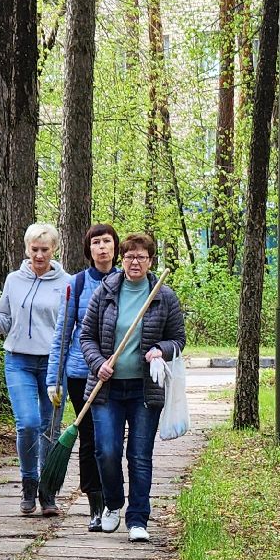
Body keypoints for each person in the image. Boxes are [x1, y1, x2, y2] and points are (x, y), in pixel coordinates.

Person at [78, 231, 185, 542]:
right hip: (107, 390)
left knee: (139, 455)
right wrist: (99, 363)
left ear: (151, 261)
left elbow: (178, 339)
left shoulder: (164, 295)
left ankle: (138, 518)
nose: (134, 262)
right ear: (121, 260)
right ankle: (113, 504)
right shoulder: (106, 291)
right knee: (106, 451)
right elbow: (87, 338)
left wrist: (160, 350)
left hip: (143, 390)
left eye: (141, 257)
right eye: (129, 257)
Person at [0, 223, 70, 515]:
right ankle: (28, 482)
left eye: (44, 249)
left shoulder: (67, 283)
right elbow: (4, 322)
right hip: (18, 359)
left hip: (53, 364)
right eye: (34, 249)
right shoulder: (14, 280)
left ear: (54, 250)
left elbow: (71, 327)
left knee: (50, 427)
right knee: (28, 422)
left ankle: (48, 491)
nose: (39, 255)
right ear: (26, 249)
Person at [47, 223, 120, 532]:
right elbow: (63, 334)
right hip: (81, 373)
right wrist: (55, 378)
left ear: (116, 247)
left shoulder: (128, 281)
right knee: (90, 440)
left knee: (113, 441)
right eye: (96, 242)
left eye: (107, 241)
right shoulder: (77, 284)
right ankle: (96, 505)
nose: (102, 247)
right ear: (88, 249)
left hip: (119, 373)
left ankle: (116, 501)